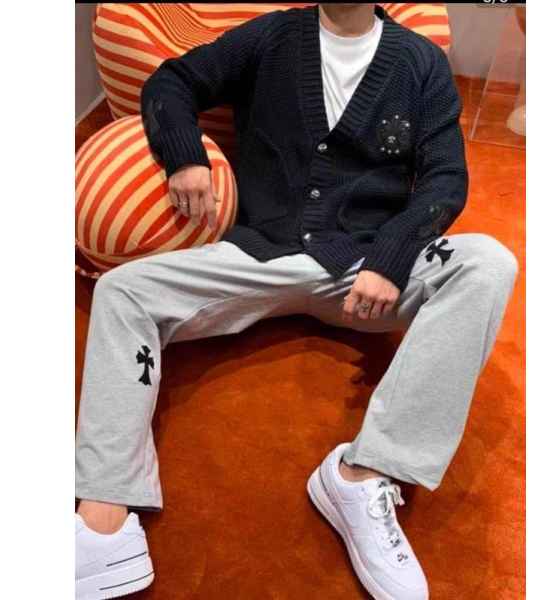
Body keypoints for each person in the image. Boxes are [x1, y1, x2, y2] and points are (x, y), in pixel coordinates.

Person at [75, 4, 518, 599]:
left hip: (364, 270)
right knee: (122, 290)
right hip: (257, 253)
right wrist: (185, 156)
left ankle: (363, 474)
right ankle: (104, 521)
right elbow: (172, 81)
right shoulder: (273, 36)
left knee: (488, 262)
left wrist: (390, 259)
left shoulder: (421, 63)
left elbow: (445, 180)